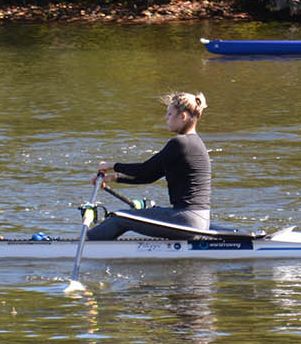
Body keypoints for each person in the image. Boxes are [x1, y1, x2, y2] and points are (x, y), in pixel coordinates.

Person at [86, 92, 211, 240]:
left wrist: (112, 165)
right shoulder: (196, 143)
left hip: (186, 220)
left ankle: (82, 244)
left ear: (182, 116)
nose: (166, 118)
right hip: (201, 221)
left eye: (169, 114)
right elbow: (149, 176)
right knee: (135, 215)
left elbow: (144, 169)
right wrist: (113, 178)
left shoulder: (180, 143)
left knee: (120, 217)